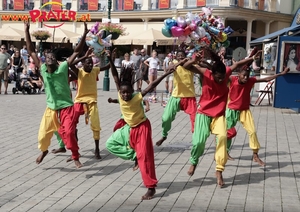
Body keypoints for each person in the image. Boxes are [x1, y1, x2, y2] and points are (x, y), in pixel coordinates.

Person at [105, 48, 185, 200]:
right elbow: (115, 76)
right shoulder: (120, 94)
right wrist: (110, 59)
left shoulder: (137, 96)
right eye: (123, 93)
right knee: (110, 144)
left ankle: (151, 187)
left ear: (132, 92)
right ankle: (133, 156)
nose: (125, 95)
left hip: (142, 127)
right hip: (128, 127)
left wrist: (167, 73)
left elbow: (153, 83)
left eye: (128, 92)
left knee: (145, 157)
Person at [183, 48, 262, 187]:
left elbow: (237, 65)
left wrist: (252, 58)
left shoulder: (226, 73)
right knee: (199, 142)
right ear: (212, 73)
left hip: (219, 115)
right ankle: (194, 162)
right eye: (218, 77)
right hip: (203, 113)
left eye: (222, 77)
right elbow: (186, 67)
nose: (221, 80)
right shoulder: (205, 73)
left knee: (223, 138)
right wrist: (193, 60)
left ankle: (219, 170)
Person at [24, 21, 89, 168]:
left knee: (70, 133)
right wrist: (26, 31)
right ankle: (44, 150)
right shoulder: (42, 69)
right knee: (42, 135)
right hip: (51, 109)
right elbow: (31, 50)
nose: (51, 58)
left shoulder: (63, 67)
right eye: (48, 58)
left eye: (53, 58)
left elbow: (77, 51)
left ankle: (75, 156)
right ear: (45, 62)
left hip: (67, 108)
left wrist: (84, 34)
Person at [52, 48, 111, 160]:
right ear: (83, 64)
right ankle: (74, 150)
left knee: (96, 125)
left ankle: (97, 149)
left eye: (92, 63)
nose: (90, 65)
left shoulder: (95, 70)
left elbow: (107, 67)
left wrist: (110, 57)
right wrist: (84, 56)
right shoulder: (79, 72)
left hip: (92, 101)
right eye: (88, 63)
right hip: (79, 101)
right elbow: (71, 64)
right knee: (71, 125)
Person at [226, 64, 290, 166]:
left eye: (247, 76)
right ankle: (224, 152)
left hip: (245, 111)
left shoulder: (251, 81)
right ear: (238, 75)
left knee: (252, 131)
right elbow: (222, 73)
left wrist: (281, 74)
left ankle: (255, 155)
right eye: (243, 76)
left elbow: (266, 79)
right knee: (228, 133)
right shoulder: (232, 79)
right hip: (231, 110)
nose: (246, 78)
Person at [156, 50, 196, 146]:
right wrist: (180, 62)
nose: (181, 57)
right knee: (166, 118)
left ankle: (196, 141)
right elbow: (169, 69)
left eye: (182, 56)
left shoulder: (190, 64)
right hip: (176, 96)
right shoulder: (174, 63)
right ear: (176, 57)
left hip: (189, 96)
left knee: (196, 120)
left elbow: (198, 65)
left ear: (186, 56)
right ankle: (164, 135)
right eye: (179, 56)